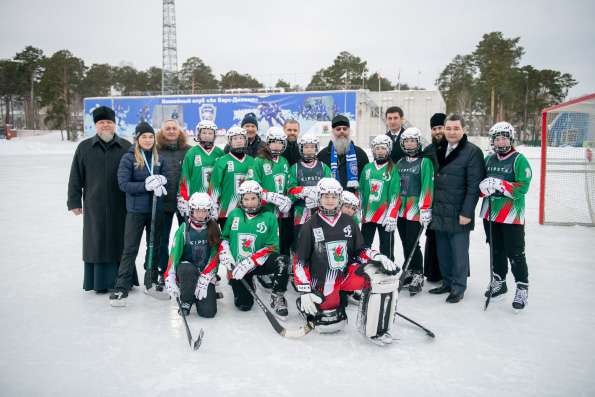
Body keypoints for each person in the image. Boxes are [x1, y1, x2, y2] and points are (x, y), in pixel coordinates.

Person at [293, 178, 399, 345]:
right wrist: (304, 290)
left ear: (339, 199)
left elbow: (360, 249)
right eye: (325, 196)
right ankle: (309, 302)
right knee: (330, 325)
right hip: (323, 280)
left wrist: (376, 256)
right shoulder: (310, 225)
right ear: (319, 198)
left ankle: (376, 328)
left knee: (380, 277)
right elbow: (300, 261)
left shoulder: (348, 221)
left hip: (345, 273)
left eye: (334, 197)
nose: (329, 200)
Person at [67, 106, 131, 293]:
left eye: (109, 122)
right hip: (94, 205)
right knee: (97, 241)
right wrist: (74, 202)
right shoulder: (84, 147)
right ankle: (98, 282)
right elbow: (75, 177)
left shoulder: (126, 146)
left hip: (122, 204)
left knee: (121, 241)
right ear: (96, 125)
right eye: (101, 122)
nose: (105, 125)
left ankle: (123, 279)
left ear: (114, 125)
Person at [110, 122, 168, 306]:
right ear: (137, 139)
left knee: (154, 247)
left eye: (151, 136)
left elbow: (166, 175)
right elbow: (123, 184)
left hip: (155, 210)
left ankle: (149, 283)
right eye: (144, 137)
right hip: (136, 211)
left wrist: (162, 180)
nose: (148, 140)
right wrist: (145, 186)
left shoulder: (159, 157)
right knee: (130, 248)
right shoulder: (129, 158)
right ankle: (121, 286)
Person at [429, 114, 485, 303]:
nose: (452, 132)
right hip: (439, 210)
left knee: (459, 252)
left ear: (463, 130)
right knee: (443, 251)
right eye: (449, 128)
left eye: (456, 128)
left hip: (459, 212)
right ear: (443, 129)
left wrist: (467, 212)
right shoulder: (438, 148)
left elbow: (474, 186)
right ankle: (447, 282)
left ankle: (458, 287)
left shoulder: (472, 152)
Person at [479, 122, 532, 311]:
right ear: (492, 141)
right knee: (496, 249)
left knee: (515, 252)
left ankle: (522, 286)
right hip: (490, 214)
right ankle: (499, 282)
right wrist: (482, 187)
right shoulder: (488, 159)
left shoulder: (519, 159)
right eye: (497, 138)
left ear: (511, 139)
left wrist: (502, 185)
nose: (501, 142)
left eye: (504, 138)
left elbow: (523, 187)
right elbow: (480, 184)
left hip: (511, 215)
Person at [218, 180, 290, 317]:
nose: (250, 202)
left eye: (253, 198)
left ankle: (277, 297)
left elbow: (273, 247)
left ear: (259, 198)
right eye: (246, 199)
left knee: (283, 261)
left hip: (258, 263)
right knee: (244, 305)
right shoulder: (234, 214)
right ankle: (250, 282)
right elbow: (224, 238)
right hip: (238, 267)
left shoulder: (269, 217)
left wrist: (251, 261)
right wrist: (225, 252)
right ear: (241, 200)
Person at [383, 128, 434, 296]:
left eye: (413, 140)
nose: (410, 143)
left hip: (415, 208)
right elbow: (395, 187)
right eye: (406, 141)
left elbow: (427, 184)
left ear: (418, 142)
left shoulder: (424, 162)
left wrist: (426, 207)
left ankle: (418, 272)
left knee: (413, 241)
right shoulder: (399, 163)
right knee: (405, 240)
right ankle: (409, 270)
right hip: (401, 208)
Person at [164, 192, 221, 317]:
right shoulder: (184, 229)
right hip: (187, 271)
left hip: (204, 274)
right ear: (191, 210)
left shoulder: (214, 228)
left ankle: (196, 294)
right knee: (187, 269)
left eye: (205, 211)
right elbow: (174, 255)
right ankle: (186, 301)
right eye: (197, 211)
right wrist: (170, 278)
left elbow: (215, 257)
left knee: (208, 312)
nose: (201, 214)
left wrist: (206, 277)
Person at [156, 119, 190, 290]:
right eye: (167, 128)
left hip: (185, 202)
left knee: (188, 238)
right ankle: (164, 271)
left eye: (174, 128)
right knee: (163, 240)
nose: (171, 131)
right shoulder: (156, 150)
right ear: (162, 131)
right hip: (164, 202)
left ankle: (187, 270)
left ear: (179, 131)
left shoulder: (188, 151)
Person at [287, 133, 332, 246]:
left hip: (320, 211)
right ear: (301, 149)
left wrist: (317, 195)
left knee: (320, 241)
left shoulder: (323, 167)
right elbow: (290, 190)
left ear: (316, 148)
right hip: (301, 211)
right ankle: (300, 262)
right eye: (306, 147)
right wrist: (305, 191)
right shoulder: (295, 168)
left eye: (312, 147)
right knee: (301, 240)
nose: (309, 150)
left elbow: (331, 187)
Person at [359, 135, 399, 260]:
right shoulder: (367, 168)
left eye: (383, 148)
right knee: (365, 244)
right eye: (377, 148)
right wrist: (358, 209)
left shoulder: (392, 169)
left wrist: (392, 214)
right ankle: (363, 266)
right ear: (373, 150)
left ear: (388, 150)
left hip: (385, 215)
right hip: (368, 214)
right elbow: (361, 191)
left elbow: (395, 193)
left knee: (386, 246)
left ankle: (388, 268)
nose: (380, 151)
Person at [208, 126, 256, 229]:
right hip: (226, 211)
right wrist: (213, 206)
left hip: (248, 209)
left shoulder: (253, 161)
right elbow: (215, 186)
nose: (238, 141)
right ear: (229, 142)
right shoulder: (222, 161)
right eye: (235, 138)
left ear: (245, 140)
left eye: (241, 138)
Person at [421, 113, 446, 283]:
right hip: (433, 201)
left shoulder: (455, 148)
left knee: (449, 239)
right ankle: (433, 272)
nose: (438, 131)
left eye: (440, 128)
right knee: (433, 236)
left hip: (449, 201)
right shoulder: (428, 151)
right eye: (435, 129)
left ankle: (449, 274)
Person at [317, 114, 369, 192]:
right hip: (329, 201)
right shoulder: (322, 155)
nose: (342, 131)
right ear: (332, 132)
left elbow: (365, 181)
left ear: (349, 131)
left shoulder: (360, 154)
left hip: (353, 200)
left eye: (345, 129)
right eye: (338, 129)